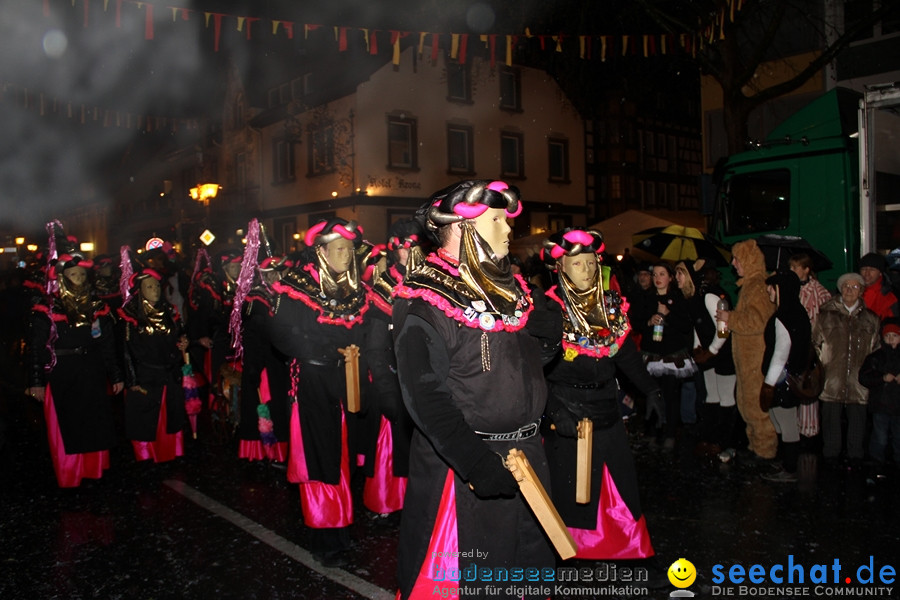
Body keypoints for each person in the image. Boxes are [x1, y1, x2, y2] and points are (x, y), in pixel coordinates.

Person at [392, 180, 561, 599]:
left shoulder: (513, 288)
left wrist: (549, 341)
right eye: (498, 220)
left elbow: (517, 371)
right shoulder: (425, 298)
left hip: (527, 460)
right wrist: (476, 463)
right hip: (468, 467)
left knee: (530, 575)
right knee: (480, 581)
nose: (509, 231)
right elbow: (426, 398)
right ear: (462, 228)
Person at [540, 227, 659, 560]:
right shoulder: (549, 311)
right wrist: (553, 410)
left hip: (607, 409)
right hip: (568, 413)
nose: (588, 270)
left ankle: (627, 550)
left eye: (592, 263)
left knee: (619, 484)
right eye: (578, 264)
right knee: (572, 489)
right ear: (560, 267)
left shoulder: (610, 305)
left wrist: (652, 390)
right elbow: (534, 372)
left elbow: (626, 357)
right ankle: (574, 554)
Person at [266, 218, 371, 568]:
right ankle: (323, 536)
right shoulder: (296, 285)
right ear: (322, 251)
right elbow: (282, 336)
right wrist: (325, 349)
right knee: (320, 461)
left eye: (350, 249)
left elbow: (362, 333)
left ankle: (340, 529)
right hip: (311, 384)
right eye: (340, 249)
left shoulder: (353, 288)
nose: (347, 255)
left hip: (345, 383)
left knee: (343, 455)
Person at [27, 241, 124, 487]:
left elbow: (107, 345)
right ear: (61, 277)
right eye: (72, 274)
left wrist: (116, 376)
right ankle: (70, 479)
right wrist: (36, 382)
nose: (78, 279)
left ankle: (94, 474)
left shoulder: (96, 307)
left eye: (82, 274)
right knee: (67, 426)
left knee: (94, 424)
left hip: (91, 371)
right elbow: (37, 349)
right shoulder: (47, 308)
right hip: (62, 374)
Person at [362, 219, 426, 520]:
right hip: (394, 378)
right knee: (394, 443)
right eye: (405, 246)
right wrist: (387, 389)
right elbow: (374, 346)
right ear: (394, 248)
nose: (410, 252)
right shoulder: (383, 286)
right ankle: (390, 503)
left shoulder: (432, 281)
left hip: (427, 379)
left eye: (416, 245)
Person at [233, 221, 290, 464]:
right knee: (266, 407)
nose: (277, 276)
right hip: (264, 367)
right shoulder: (256, 300)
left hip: (280, 365)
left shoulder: (284, 297)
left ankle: (280, 450)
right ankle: (267, 452)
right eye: (271, 273)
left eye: (279, 272)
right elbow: (255, 339)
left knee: (280, 409)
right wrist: (255, 372)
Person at [118, 267, 188, 463]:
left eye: (157, 286)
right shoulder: (130, 316)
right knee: (145, 419)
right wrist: (132, 380)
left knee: (170, 416)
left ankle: (171, 453)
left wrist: (183, 341)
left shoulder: (169, 311)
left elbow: (179, 334)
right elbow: (126, 350)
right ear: (140, 290)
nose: (155, 290)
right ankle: (146, 456)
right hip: (145, 375)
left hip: (168, 373)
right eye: (149, 286)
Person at [716, 239, 777, 461]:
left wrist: (730, 318)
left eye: (737, 259)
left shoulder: (758, 286)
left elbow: (758, 321)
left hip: (755, 358)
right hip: (747, 359)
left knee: (755, 407)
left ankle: (765, 450)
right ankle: (755, 446)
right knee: (746, 404)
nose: (733, 264)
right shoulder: (749, 285)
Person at [813, 272, 881, 466]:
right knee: (831, 423)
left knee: (858, 425)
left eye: (854, 287)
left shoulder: (871, 319)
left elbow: (876, 349)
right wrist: (822, 367)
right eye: (846, 286)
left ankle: (855, 460)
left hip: (858, 381)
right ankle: (830, 461)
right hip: (831, 379)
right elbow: (815, 344)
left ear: (861, 291)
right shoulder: (825, 315)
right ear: (840, 289)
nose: (849, 290)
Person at [678, 259, 738, 460]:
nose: (677, 278)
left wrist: (711, 351)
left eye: (680, 273)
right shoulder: (692, 299)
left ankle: (725, 442)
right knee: (711, 396)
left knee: (726, 397)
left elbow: (723, 327)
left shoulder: (709, 296)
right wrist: (697, 347)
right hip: (708, 354)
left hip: (723, 354)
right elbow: (697, 325)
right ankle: (710, 437)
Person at [631, 262, 694, 448]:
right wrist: (649, 321)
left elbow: (685, 326)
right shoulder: (646, 298)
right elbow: (636, 323)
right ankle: (652, 431)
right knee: (651, 393)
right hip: (651, 355)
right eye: (655, 274)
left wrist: (669, 314)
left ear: (670, 278)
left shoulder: (677, 298)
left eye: (662, 274)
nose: (658, 278)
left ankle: (670, 433)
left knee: (671, 395)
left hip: (671, 355)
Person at [758, 271, 811, 482]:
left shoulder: (784, 316)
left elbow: (781, 353)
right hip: (789, 377)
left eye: (772, 286)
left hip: (783, 380)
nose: (769, 290)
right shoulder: (795, 312)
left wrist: (768, 385)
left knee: (787, 422)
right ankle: (785, 461)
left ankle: (789, 468)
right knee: (779, 420)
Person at [788, 252, 831, 444]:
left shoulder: (819, 291)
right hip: (791, 344)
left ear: (806, 269)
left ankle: (809, 434)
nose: (792, 271)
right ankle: (793, 432)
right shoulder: (790, 289)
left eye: (795, 267)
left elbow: (826, 318)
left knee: (806, 387)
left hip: (810, 346)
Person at [859, 320, 900, 470]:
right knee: (880, 438)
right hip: (881, 405)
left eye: (894, 335)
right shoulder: (876, 357)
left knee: (898, 438)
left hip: (897, 407)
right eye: (887, 335)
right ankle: (876, 465)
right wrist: (882, 378)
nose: (890, 339)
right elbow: (864, 377)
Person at [859, 252, 899, 321]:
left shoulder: (889, 296)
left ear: (880, 273)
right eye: (864, 269)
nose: (867, 273)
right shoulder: (851, 290)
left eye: (872, 270)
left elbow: (893, 324)